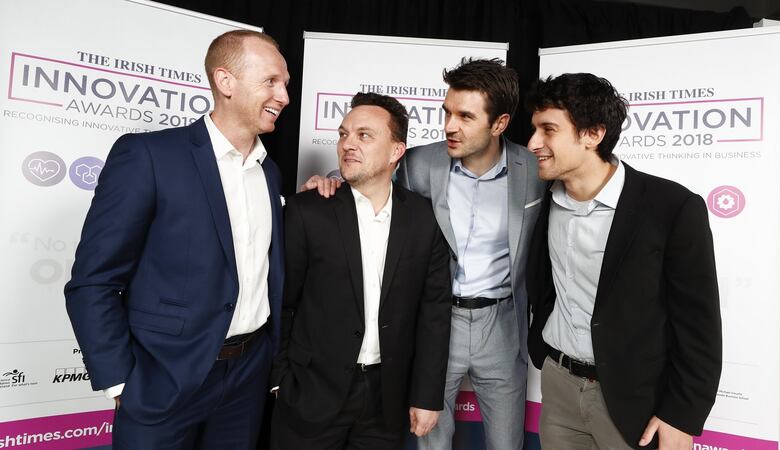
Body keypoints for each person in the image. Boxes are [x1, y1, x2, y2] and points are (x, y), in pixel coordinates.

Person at [65, 30, 289, 449]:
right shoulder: (148, 156)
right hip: (162, 380)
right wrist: (119, 382)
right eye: (271, 81)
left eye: (286, 84)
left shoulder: (269, 172)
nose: (283, 96)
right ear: (225, 82)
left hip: (247, 379)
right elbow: (93, 281)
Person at [305, 58, 544, 450]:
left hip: (502, 324)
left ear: (499, 123)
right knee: (429, 441)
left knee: (507, 444)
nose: (449, 125)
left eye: (465, 116)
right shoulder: (419, 162)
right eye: (448, 112)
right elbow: (369, 181)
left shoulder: (532, 170)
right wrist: (329, 182)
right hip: (434, 323)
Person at [525, 72, 722, 450]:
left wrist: (682, 415)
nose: (533, 143)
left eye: (548, 129)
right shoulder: (543, 200)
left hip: (634, 399)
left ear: (593, 134)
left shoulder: (673, 207)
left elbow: (699, 325)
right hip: (559, 387)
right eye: (534, 129)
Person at [270, 92, 452, 449]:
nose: (347, 144)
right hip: (309, 394)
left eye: (364, 135)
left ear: (396, 151)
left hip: (386, 401)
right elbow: (281, 300)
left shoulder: (423, 218)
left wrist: (427, 396)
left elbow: (434, 313)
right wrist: (280, 381)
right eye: (343, 134)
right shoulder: (307, 210)